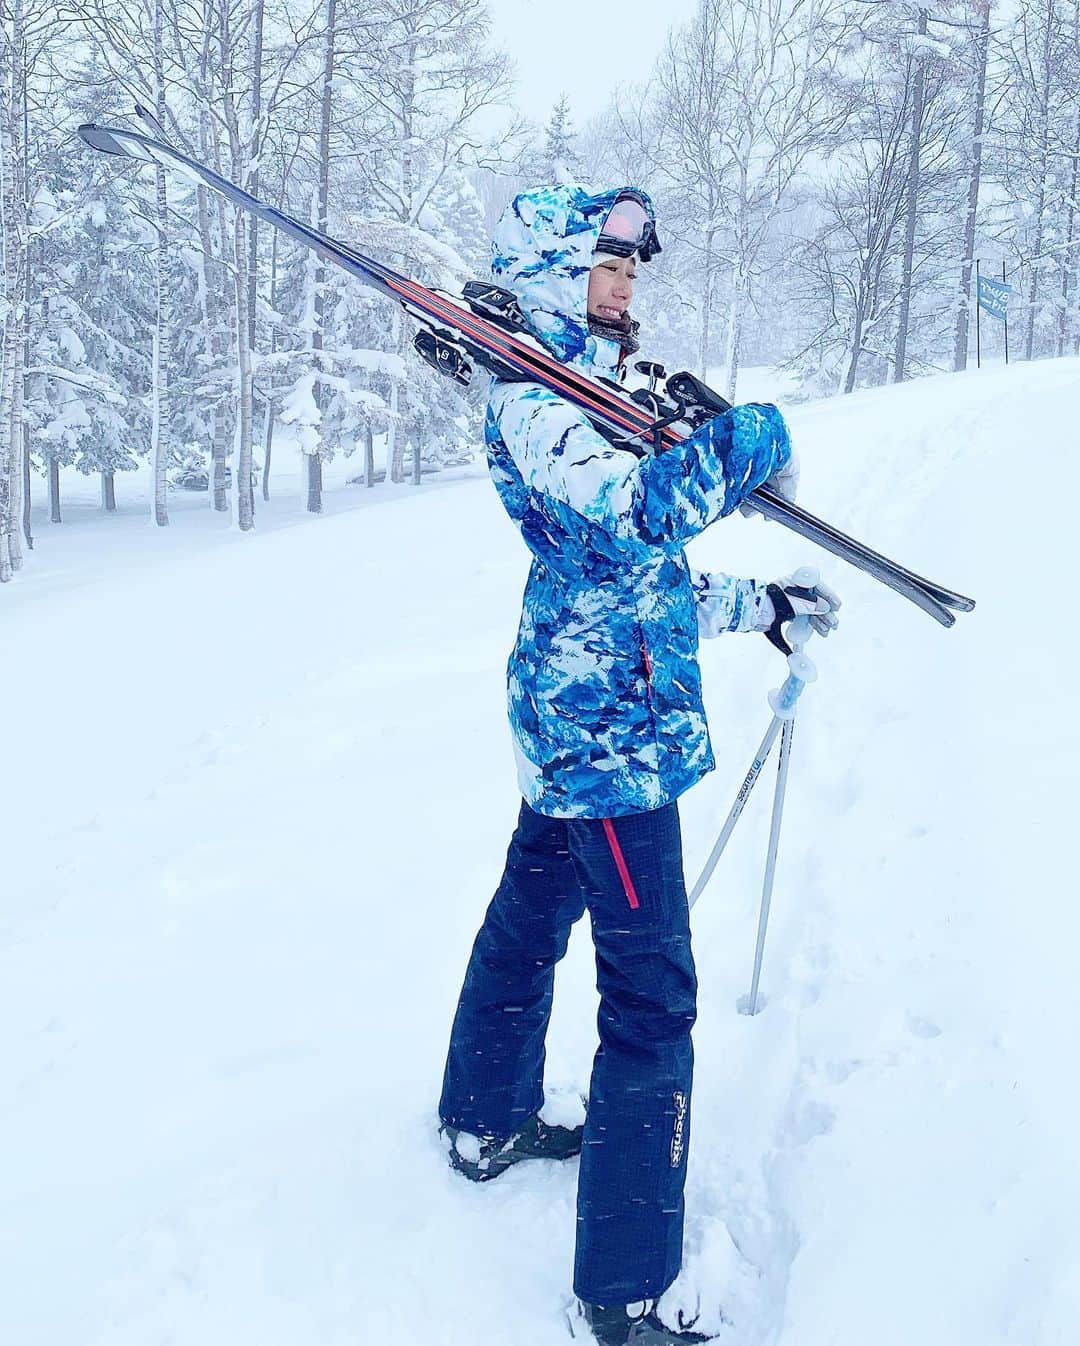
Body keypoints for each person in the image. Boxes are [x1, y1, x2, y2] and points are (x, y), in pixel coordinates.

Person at [437, 185, 839, 1346]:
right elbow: (628, 518)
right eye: (605, 268)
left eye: (628, 272)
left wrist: (755, 602)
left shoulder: (582, 397)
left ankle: (486, 1117)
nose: (623, 289)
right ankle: (622, 1289)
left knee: (526, 918)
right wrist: (753, 435)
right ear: (559, 273)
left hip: (578, 717)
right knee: (654, 1001)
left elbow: (627, 586)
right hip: (611, 753)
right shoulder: (535, 402)